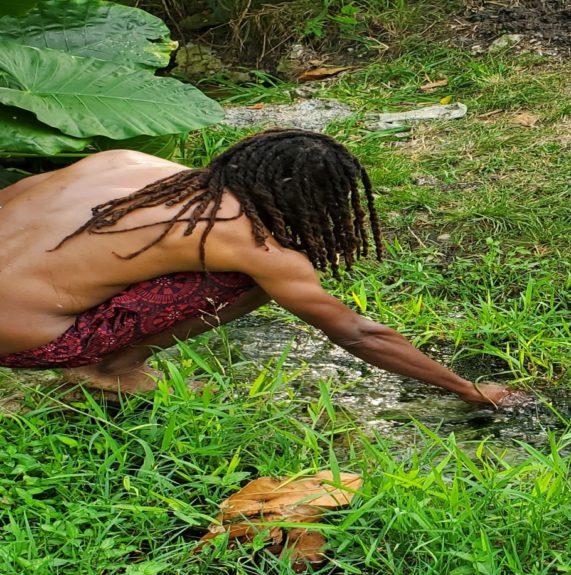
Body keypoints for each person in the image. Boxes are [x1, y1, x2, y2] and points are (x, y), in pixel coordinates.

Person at [0, 129, 522, 406]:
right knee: (246, 283)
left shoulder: (124, 163)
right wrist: (470, 389)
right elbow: (360, 334)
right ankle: (105, 370)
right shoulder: (246, 243)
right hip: (23, 346)